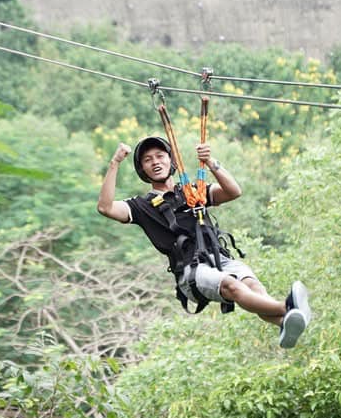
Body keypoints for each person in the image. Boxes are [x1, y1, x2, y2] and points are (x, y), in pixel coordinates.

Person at [97, 135, 312, 347]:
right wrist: (115, 163)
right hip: (190, 271)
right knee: (232, 286)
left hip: (219, 258)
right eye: (147, 160)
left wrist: (210, 162)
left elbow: (233, 191)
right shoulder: (141, 206)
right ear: (142, 170)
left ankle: (285, 323)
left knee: (253, 287)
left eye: (160, 156)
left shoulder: (192, 192)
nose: (155, 162)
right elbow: (106, 208)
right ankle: (288, 308)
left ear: (171, 161)